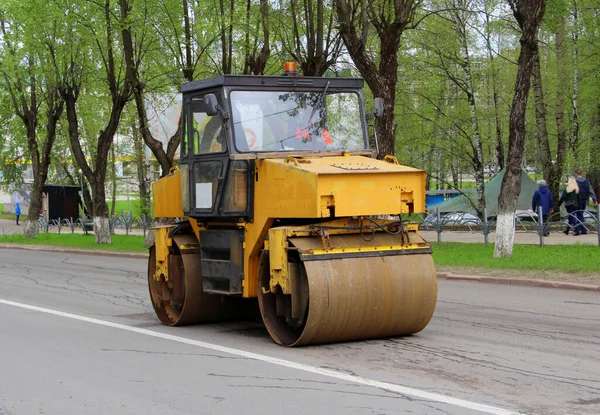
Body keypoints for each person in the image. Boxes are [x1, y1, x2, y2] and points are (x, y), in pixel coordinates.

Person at [573, 169, 598, 236]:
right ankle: (579, 228)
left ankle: (581, 229)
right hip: (584, 200)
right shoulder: (586, 182)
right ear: (581, 174)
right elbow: (591, 191)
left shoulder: (574, 181)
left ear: (576, 174)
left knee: (578, 214)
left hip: (576, 200)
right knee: (580, 213)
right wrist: (594, 199)